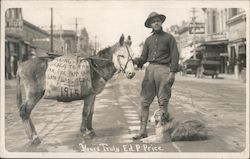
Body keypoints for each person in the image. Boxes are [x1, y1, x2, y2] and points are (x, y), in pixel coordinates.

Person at [132, 12, 179, 140]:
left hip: (164, 70)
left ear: (161, 22)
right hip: (150, 70)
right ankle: (143, 131)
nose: (156, 23)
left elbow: (175, 56)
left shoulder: (169, 38)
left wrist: (172, 72)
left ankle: (164, 132)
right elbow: (143, 58)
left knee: (163, 102)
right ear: (150, 25)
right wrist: (135, 60)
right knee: (144, 102)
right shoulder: (148, 40)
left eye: (158, 20)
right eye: (153, 21)